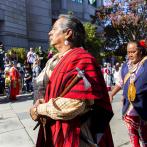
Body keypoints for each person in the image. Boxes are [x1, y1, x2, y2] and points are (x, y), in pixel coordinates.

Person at [29, 14, 114, 147]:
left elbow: (75, 104)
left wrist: (41, 109)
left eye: (54, 29)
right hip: (53, 128)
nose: (49, 32)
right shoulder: (53, 60)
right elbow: (39, 84)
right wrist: (37, 103)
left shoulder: (83, 59)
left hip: (76, 132)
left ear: (68, 33)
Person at [110, 40, 147, 147]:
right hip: (129, 108)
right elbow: (120, 82)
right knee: (132, 134)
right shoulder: (125, 66)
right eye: (128, 52)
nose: (130, 54)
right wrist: (111, 94)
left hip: (146, 108)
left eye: (133, 51)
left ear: (141, 51)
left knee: (145, 135)